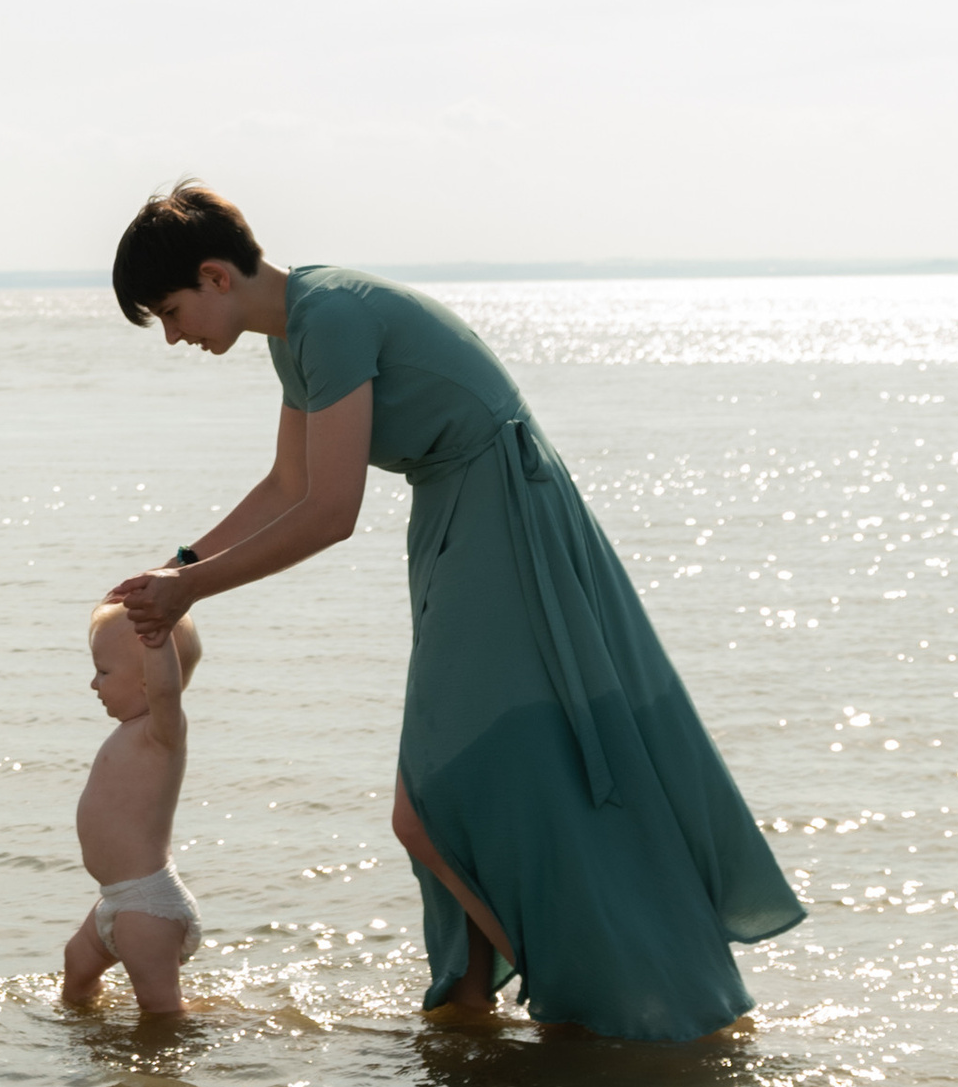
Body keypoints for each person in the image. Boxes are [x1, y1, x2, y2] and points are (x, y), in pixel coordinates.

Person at [105, 182, 802, 1040]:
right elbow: (286, 485)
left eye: (171, 314)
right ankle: (471, 1010)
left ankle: (577, 995)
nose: (174, 337)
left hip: (501, 512)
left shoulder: (331, 316)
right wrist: (177, 566)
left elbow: (329, 512)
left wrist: (194, 592)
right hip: (461, 513)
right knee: (474, 781)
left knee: (434, 797)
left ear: (215, 276)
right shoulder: (297, 336)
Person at [62, 599, 205, 1019]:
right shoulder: (130, 733)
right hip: (116, 899)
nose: (94, 684)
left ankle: (168, 1073)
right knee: (76, 972)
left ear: (147, 682)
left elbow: (166, 690)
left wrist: (159, 643)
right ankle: (90, 1045)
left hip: (148, 904)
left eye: (103, 672)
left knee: (160, 1010)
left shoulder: (162, 733)